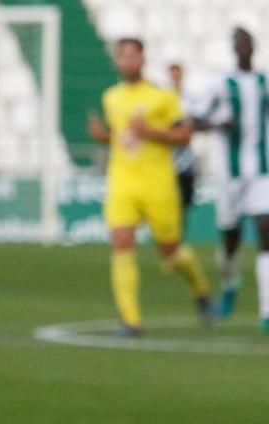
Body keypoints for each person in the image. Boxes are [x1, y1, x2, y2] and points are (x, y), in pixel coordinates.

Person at [87, 37, 212, 337]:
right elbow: (123, 139)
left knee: (171, 253)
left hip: (158, 184)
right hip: (122, 182)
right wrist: (104, 137)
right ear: (116, 61)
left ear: (142, 59)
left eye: (132, 56)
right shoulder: (111, 97)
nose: (126, 61)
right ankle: (130, 320)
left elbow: (184, 136)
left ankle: (200, 289)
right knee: (121, 240)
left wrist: (151, 131)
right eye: (121, 56)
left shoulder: (162, 97)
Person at [195, 27, 269, 329]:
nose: (244, 47)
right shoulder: (220, 84)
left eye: (247, 42)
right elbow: (195, 120)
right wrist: (217, 123)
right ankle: (229, 284)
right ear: (233, 48)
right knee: (230, 240)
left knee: (266, 232)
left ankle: (267, 312)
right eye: (238, 42)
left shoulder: (264, 82)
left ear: (254, 46)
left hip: (262, 173)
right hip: (230, 175)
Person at [167, 63, 200, 239]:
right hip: (169, 153)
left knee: (185, 200)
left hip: (185, 154)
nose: (175, 78)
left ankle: (179, 234)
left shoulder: (189, 99)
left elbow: (193, 122)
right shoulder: (165, 98)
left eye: (177, 74)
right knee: (170, 197)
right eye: (172, 75)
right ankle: (171, 235)